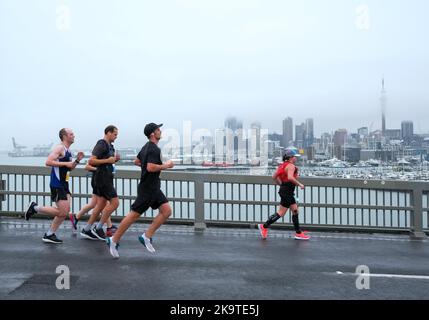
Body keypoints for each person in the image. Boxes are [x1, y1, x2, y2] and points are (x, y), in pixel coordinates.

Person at [106, 123, 174, 258]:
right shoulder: (153, 148)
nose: (160, 131)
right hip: (148, 188)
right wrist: (166, 165)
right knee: (133, 215)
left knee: (166, 211)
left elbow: (137, 161)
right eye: (158, 129)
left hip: (153, 187)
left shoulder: (146, 147)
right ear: (153, 134)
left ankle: (146, 236)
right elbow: (149, 167)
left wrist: (147, 168)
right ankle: (113, 240)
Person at [25, 128, 84, 244]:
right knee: (62, 212)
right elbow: (48, 161)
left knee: (65, 211)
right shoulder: (59, 148)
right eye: (71, 134)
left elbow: (70, 167)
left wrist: (77, 160)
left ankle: (50, 234)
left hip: (64, 183)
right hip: (57, 183)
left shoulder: (68, 151)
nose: (74, 136)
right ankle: (34, 208)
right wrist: (65, 163)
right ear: (64, 136)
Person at [258, 147, 310, 241]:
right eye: (294, 157)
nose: (296, 158)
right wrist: (300, 184)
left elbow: (274, 177)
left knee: (294, 210)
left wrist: (282, 185)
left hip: (286, 191)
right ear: (290, 157)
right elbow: (290, 177)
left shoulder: (282, 165)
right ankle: (264, 226)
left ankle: (298, 232)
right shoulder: (291, 166)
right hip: (287, 192)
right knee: (281, 213)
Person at [80, 125, 120, 241]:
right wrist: (108, 160)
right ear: (108, 133)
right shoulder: (101, 144)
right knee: (115, 203)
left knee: (101, 205)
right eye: (115, 134)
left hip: (105, 178)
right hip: (102, 179)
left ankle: (87, 229)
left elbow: (107, 162)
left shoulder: (110, 146)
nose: (116, 137)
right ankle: (98, 228)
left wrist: (114, 160)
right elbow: (91, 160)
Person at [70, 161, 117, 237]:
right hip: (99, 182)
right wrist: (98, 170)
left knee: (93, 204)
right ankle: (109, 227)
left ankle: (76, 216)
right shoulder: (99, 156)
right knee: (104, 204)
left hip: (104, 182)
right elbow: (87, 167)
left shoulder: (109, 156)